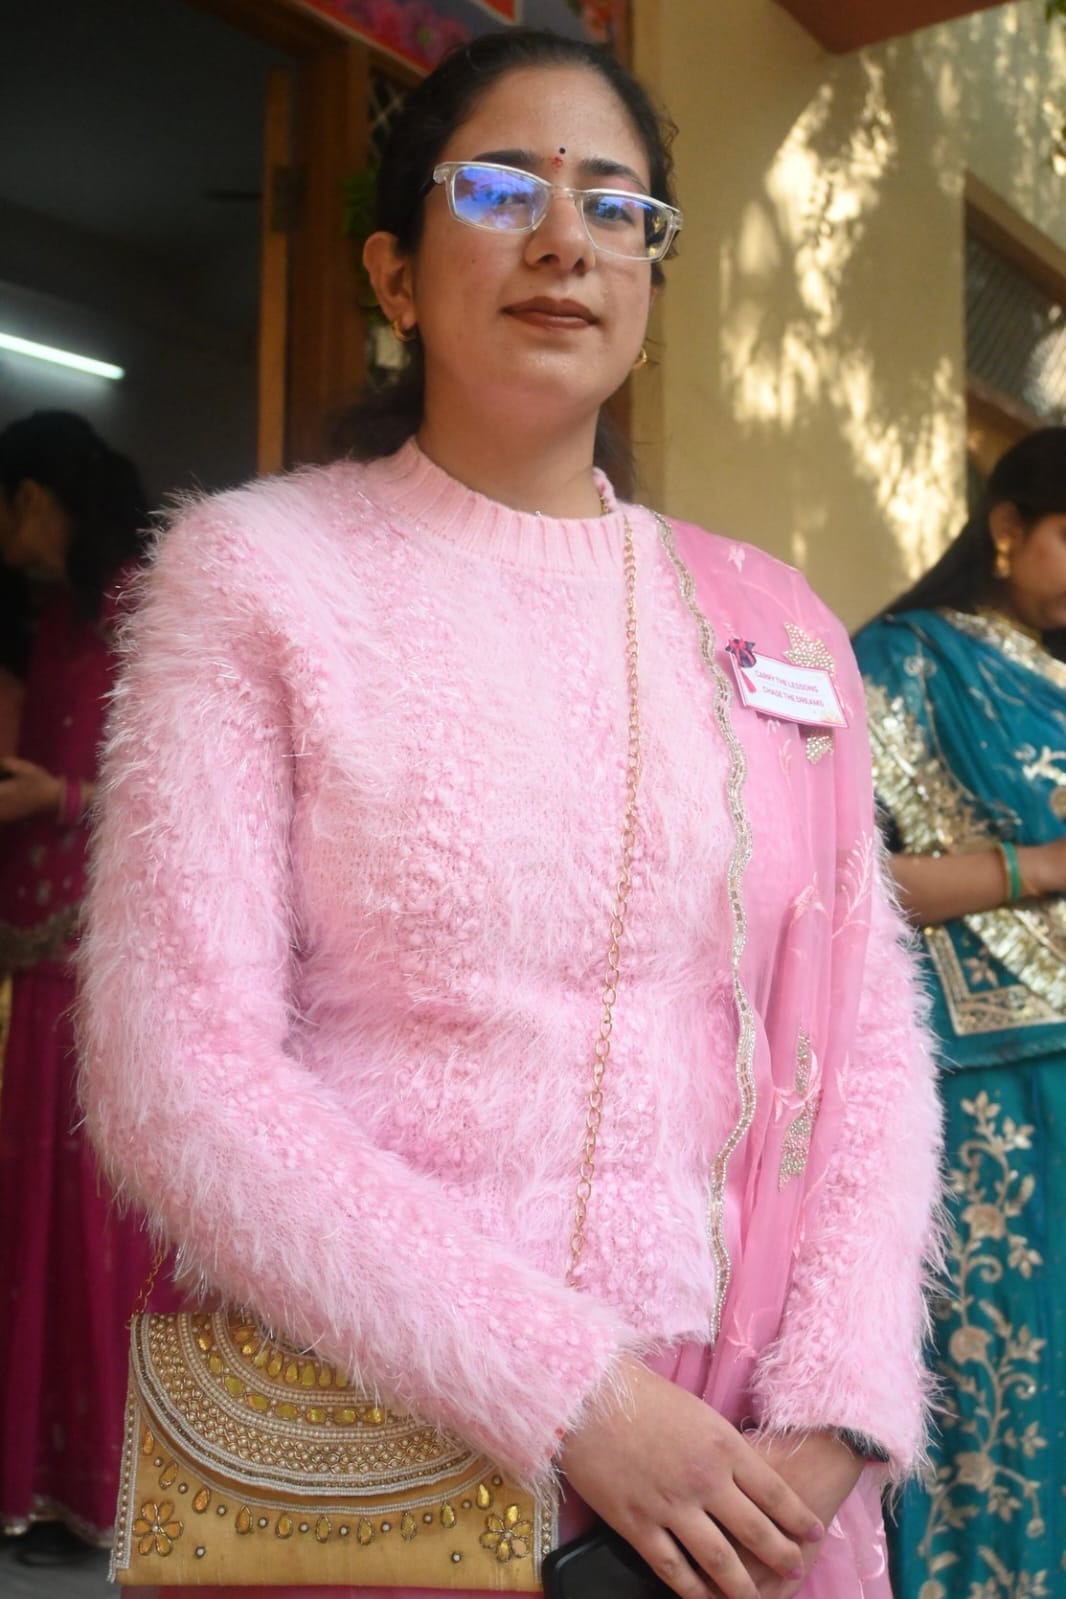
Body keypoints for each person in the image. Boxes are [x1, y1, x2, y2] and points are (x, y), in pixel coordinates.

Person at [78, 29, 940, 1599]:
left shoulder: (769, 623)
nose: (562, 239)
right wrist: (573, 1392)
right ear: (394, 274)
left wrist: (841, 1397)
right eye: (498, 191)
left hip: (746, 1472)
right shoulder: (262, 576)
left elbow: (865, 1040)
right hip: (386, 1442)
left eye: (615, 206)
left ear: (651, 275)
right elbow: (174, 1070)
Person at [853, 428, 1066, 1598]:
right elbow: (835, 872)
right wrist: (1037, 867)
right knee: (994, 1385)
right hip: (985, 1091)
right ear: (1006, 525)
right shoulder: (902, 663)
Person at [0, 412, 175, 1563]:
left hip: (104, 963)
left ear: (38, 498)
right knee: (35, 1220)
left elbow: (176, 784)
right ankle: (44, 1479)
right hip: (36, 958)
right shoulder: (56, 621)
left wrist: (56, 798)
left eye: (6, 508)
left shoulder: (137, 614)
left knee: (95, 1222)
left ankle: (112, 1489)